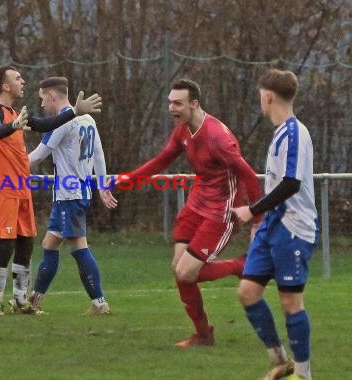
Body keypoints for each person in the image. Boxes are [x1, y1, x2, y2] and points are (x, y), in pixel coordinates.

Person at [117, 79, 263, 347]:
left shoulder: (218, 138)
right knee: (180, 269)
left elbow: (251, 178)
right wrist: (123, 182)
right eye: (170, 102)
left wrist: (257, 219)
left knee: (185, 273)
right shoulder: (183, 130)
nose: (171, 108)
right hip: (196, 203)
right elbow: (161, 160)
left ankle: (239, 266)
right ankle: (204, 335)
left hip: (220, 211)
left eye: (177, 103)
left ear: (194, 104)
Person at [0, 65, 102, 316]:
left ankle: (23, 300)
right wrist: (12, 126)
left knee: (29, 244)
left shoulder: (18, 112)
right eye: (17, 78)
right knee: (12, 246)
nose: (23, 81)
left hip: (34, 189)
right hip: (7, 187)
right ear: (5, 86)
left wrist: (73, 113)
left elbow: (46, 124)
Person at [233, 69, 318, 380]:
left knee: (290, 300)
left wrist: (251, 210)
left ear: (267, 96)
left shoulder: (295, 133)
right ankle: (281, 361)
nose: (261, 101)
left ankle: (304, 375)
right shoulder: (281, 132)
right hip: (273, 225)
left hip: (294, 227)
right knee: (247, 292)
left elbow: (291, 183)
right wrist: (263, 219)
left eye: (260, 95)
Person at [27, 77, 118, 315]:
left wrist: (10, 167)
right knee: (50, 244)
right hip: (76, 191)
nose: (41, 103)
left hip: (70, 194)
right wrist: (101, 184)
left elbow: (38, 155)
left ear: (51, 96)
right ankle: (35, 299)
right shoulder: (87, 118)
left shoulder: (63, 122)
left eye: (42, 98)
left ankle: (99, 303)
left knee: (79, 245)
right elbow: (98, 153)